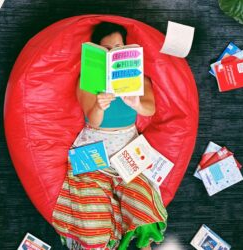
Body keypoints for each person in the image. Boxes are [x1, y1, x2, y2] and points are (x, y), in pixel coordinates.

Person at [52, 22, 167, 250]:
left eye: (118, 47)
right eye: (107, 49)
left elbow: (150, 109)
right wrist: (99, 106)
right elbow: (92, 120)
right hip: (95, 145)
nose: (113, 52)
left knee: (141, 200)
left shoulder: (141, 81)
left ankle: (145, 245)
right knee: (92, 211)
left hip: (126, 146)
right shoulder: (87, 83)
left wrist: (135, 102)